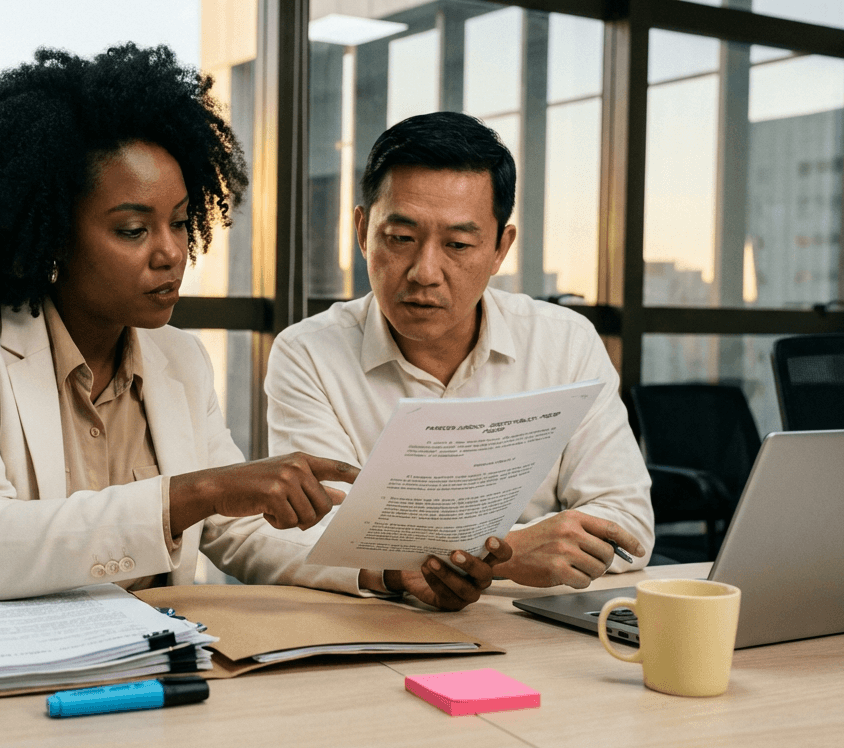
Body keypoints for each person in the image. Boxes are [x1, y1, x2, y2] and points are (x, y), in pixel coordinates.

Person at [0, 47, 509, 613]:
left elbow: (237, 532)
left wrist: (384, 573)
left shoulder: (179, 358)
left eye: (179, 222)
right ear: (50, 233)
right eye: (133, 229)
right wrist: (203, 489)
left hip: (127, 663)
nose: (171, 252)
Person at [266, 112, 654, 593]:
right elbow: (327, 538)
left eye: (458, 244)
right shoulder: (308, 354)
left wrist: (486, 560)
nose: (425, 271)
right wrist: (509, 551)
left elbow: (628, 522)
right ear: (363, 231)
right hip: (383, 624)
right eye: (402, 239)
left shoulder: (565, 342)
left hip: (537, 621)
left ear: (499, 249)